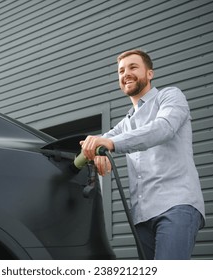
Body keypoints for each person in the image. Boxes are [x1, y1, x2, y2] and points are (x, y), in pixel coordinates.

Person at [80, 49, 205, 260]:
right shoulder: (126, 122)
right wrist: (97, 152)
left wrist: (109, 143)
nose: (125, 73)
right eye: (121, 70)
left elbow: (163, 128)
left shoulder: (170, 96)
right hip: (142, 217)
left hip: (176, 207)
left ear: (149, 74)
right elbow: (96, 142)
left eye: (133, 67)